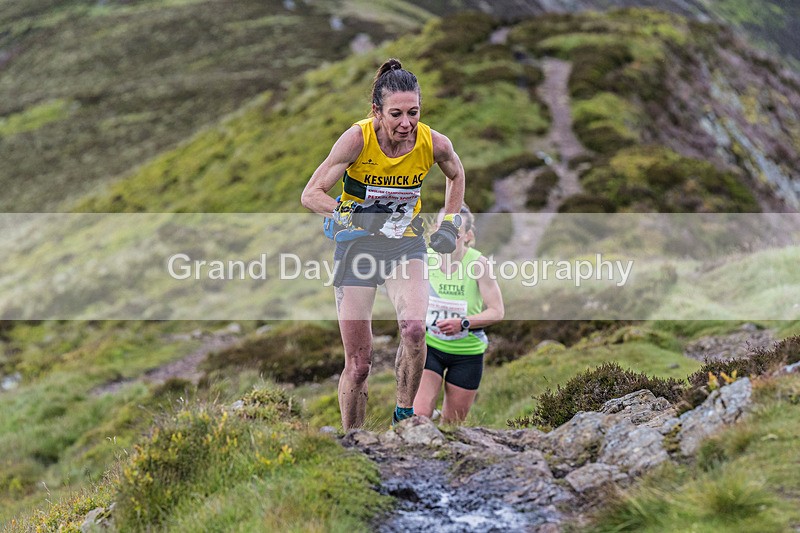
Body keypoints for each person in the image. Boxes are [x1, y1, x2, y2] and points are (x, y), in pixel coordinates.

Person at [301, 58, 466, 430]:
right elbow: (311, 195)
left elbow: (456, 174)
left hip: (405, 247)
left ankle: (404, 418)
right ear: (376, 111)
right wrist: (353, 216)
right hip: (357, 250)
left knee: (414, 330)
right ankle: (354, 441)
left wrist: (450, 223)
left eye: (414, 112)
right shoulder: (356, 139)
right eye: (396, 114)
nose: (406, 124)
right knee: (359, 365)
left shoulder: (433, 142)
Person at [413, 204, 504, 424]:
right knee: (419, 415)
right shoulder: (424, 258)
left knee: (451, 426)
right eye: (444, 230)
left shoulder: (478, 264)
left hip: (467, 354)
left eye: (455, 233)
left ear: (468, 236)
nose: (448, 237)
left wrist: (462, 323)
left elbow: (497, 311)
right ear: (435, 229)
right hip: (430, 348)